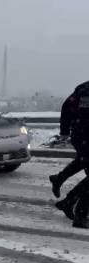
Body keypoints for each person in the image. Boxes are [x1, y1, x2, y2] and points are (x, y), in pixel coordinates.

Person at [50, 81, 89, 228]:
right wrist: (65, 131)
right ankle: (80, 214)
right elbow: (69, 108)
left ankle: (61, 185)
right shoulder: (86, 91)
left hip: (83, 137)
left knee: (82, 162)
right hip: (84, 137)